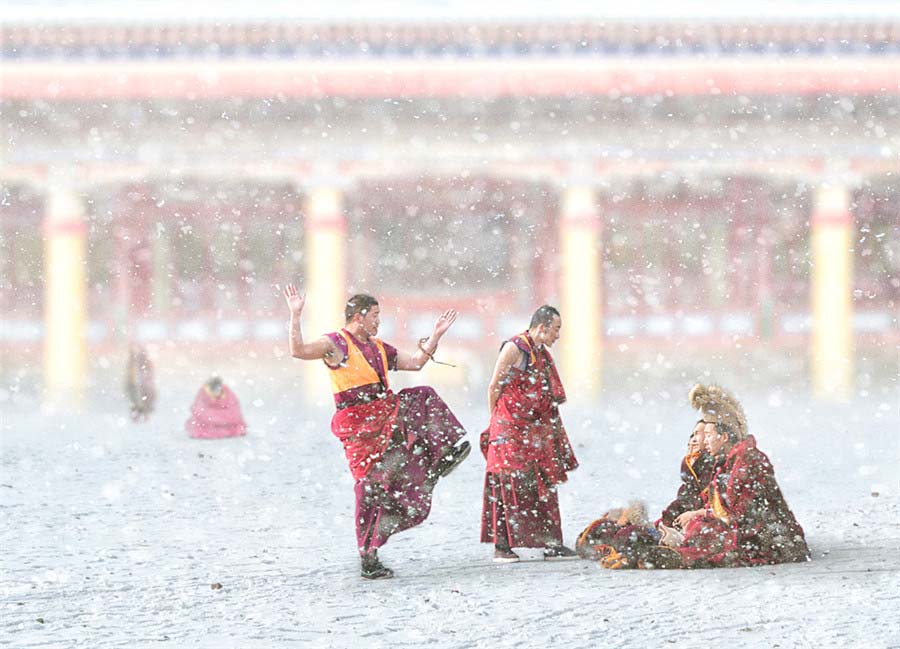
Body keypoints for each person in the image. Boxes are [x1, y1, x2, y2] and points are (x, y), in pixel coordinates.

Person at [283, 284, 471, 580]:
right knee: (370, 488)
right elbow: (298, 351)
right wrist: (296, 315)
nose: (378, 321)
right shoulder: (334, 343)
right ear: (358, 317)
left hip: (387, 414)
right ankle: (368, 556)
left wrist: (436, 335)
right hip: (359, 425)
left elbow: (416, 363)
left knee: (422, 396)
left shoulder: (380, 348)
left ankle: (441, 457)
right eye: (374, 315)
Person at [599, 383, 810, 570]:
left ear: (724, 436)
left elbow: (735, 513)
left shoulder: (746, 460)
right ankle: (660, 542)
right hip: (740, 525)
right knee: (692, 524)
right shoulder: (727, 461)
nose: (704, 442)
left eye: (708, 435)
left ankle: (674, 553)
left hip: (762, 533)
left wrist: (698, 515)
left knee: (707, 531)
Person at [480, 305, 579, 563]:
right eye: (556, 329)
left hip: (531, 428)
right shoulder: (514, 348)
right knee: (506, 483)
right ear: (542, 327)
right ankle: (502, 546)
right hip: (509, 426)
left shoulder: (539, 352)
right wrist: (495, 424)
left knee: (543, 482)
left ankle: (552, 543)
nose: (558, 335)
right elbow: (494, 386)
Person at [575, 419, 716, 561]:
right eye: (692, 435)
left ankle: (650, 547)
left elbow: (714, 507)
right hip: (677, 523)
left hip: (696, 526)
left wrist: (694, 515)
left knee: (630, 535)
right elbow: (684, 502)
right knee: (616, 530)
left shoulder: (713, 467)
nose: (692, 440)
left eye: (699, 434)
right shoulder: (693, 468)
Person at [125, 342, 156, 422]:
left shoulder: (138, 362)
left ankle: (141, 415)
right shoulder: (135, 362)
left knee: (138, 401)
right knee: (139, 401)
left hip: (141, 385)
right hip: (139, 385)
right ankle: (141, 415)